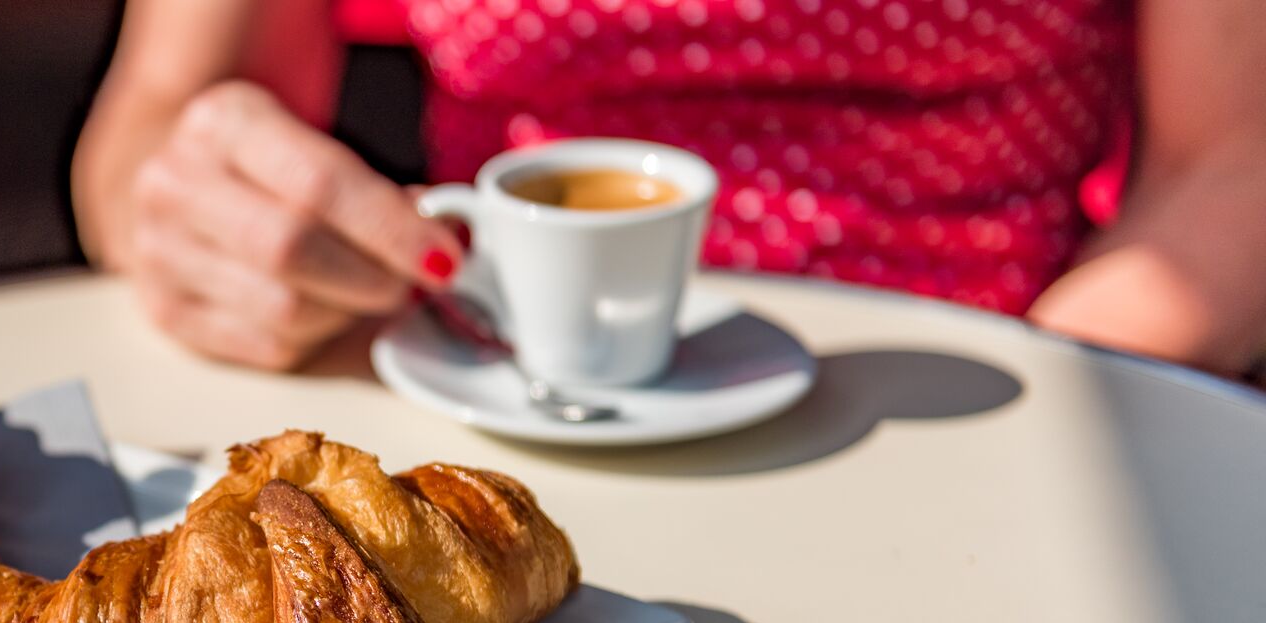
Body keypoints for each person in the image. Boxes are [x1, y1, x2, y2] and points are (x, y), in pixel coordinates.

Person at [73, 0, 1266, 377]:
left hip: (984, 383)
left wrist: (1033, 413)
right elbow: (164, 112)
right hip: (497, 392)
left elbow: (1230, 165)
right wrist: (196, 212)